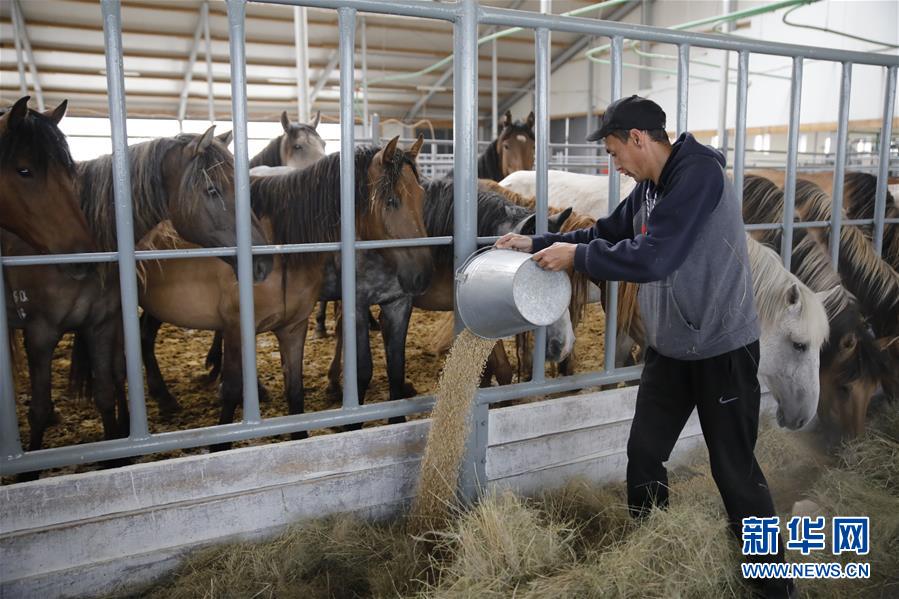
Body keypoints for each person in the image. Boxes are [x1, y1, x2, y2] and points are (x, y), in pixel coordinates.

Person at [495, 95, 795, 599]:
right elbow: (609, 230)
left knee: (734, 470)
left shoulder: (698, 175)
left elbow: (654, 257)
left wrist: (576, 258)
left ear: (638, 139)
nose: (613, 164)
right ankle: (654, 548)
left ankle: (774, 586)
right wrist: (540, 243)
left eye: (614, 152)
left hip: (721, 348)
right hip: (671, 348)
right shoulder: (650, 188)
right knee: (644, 454)